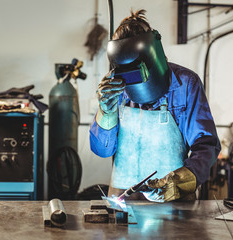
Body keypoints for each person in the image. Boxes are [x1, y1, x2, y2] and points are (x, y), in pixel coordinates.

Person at [89, 9, 221, 202]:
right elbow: (102, 150)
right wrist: (105, 112)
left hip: (172, 196)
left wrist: (185, 178)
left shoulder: (185, 83)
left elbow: (206, 144)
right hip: (123, 200)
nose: (133, 83)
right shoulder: (113, 87)